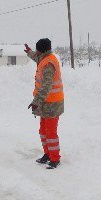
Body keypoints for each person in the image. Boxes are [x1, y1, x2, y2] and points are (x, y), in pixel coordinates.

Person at [25, 38, 64, 169]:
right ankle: (47, 154)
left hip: (53, 103)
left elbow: (46, 86)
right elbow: (37, 58)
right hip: (46, 102)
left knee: (50, 132)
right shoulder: (44, 58)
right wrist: (29, 52)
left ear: (41, 50)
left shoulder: (48, 63)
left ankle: (55, 158)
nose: (36, 52)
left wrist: (36, 101)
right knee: (43, 130)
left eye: (37, 50)